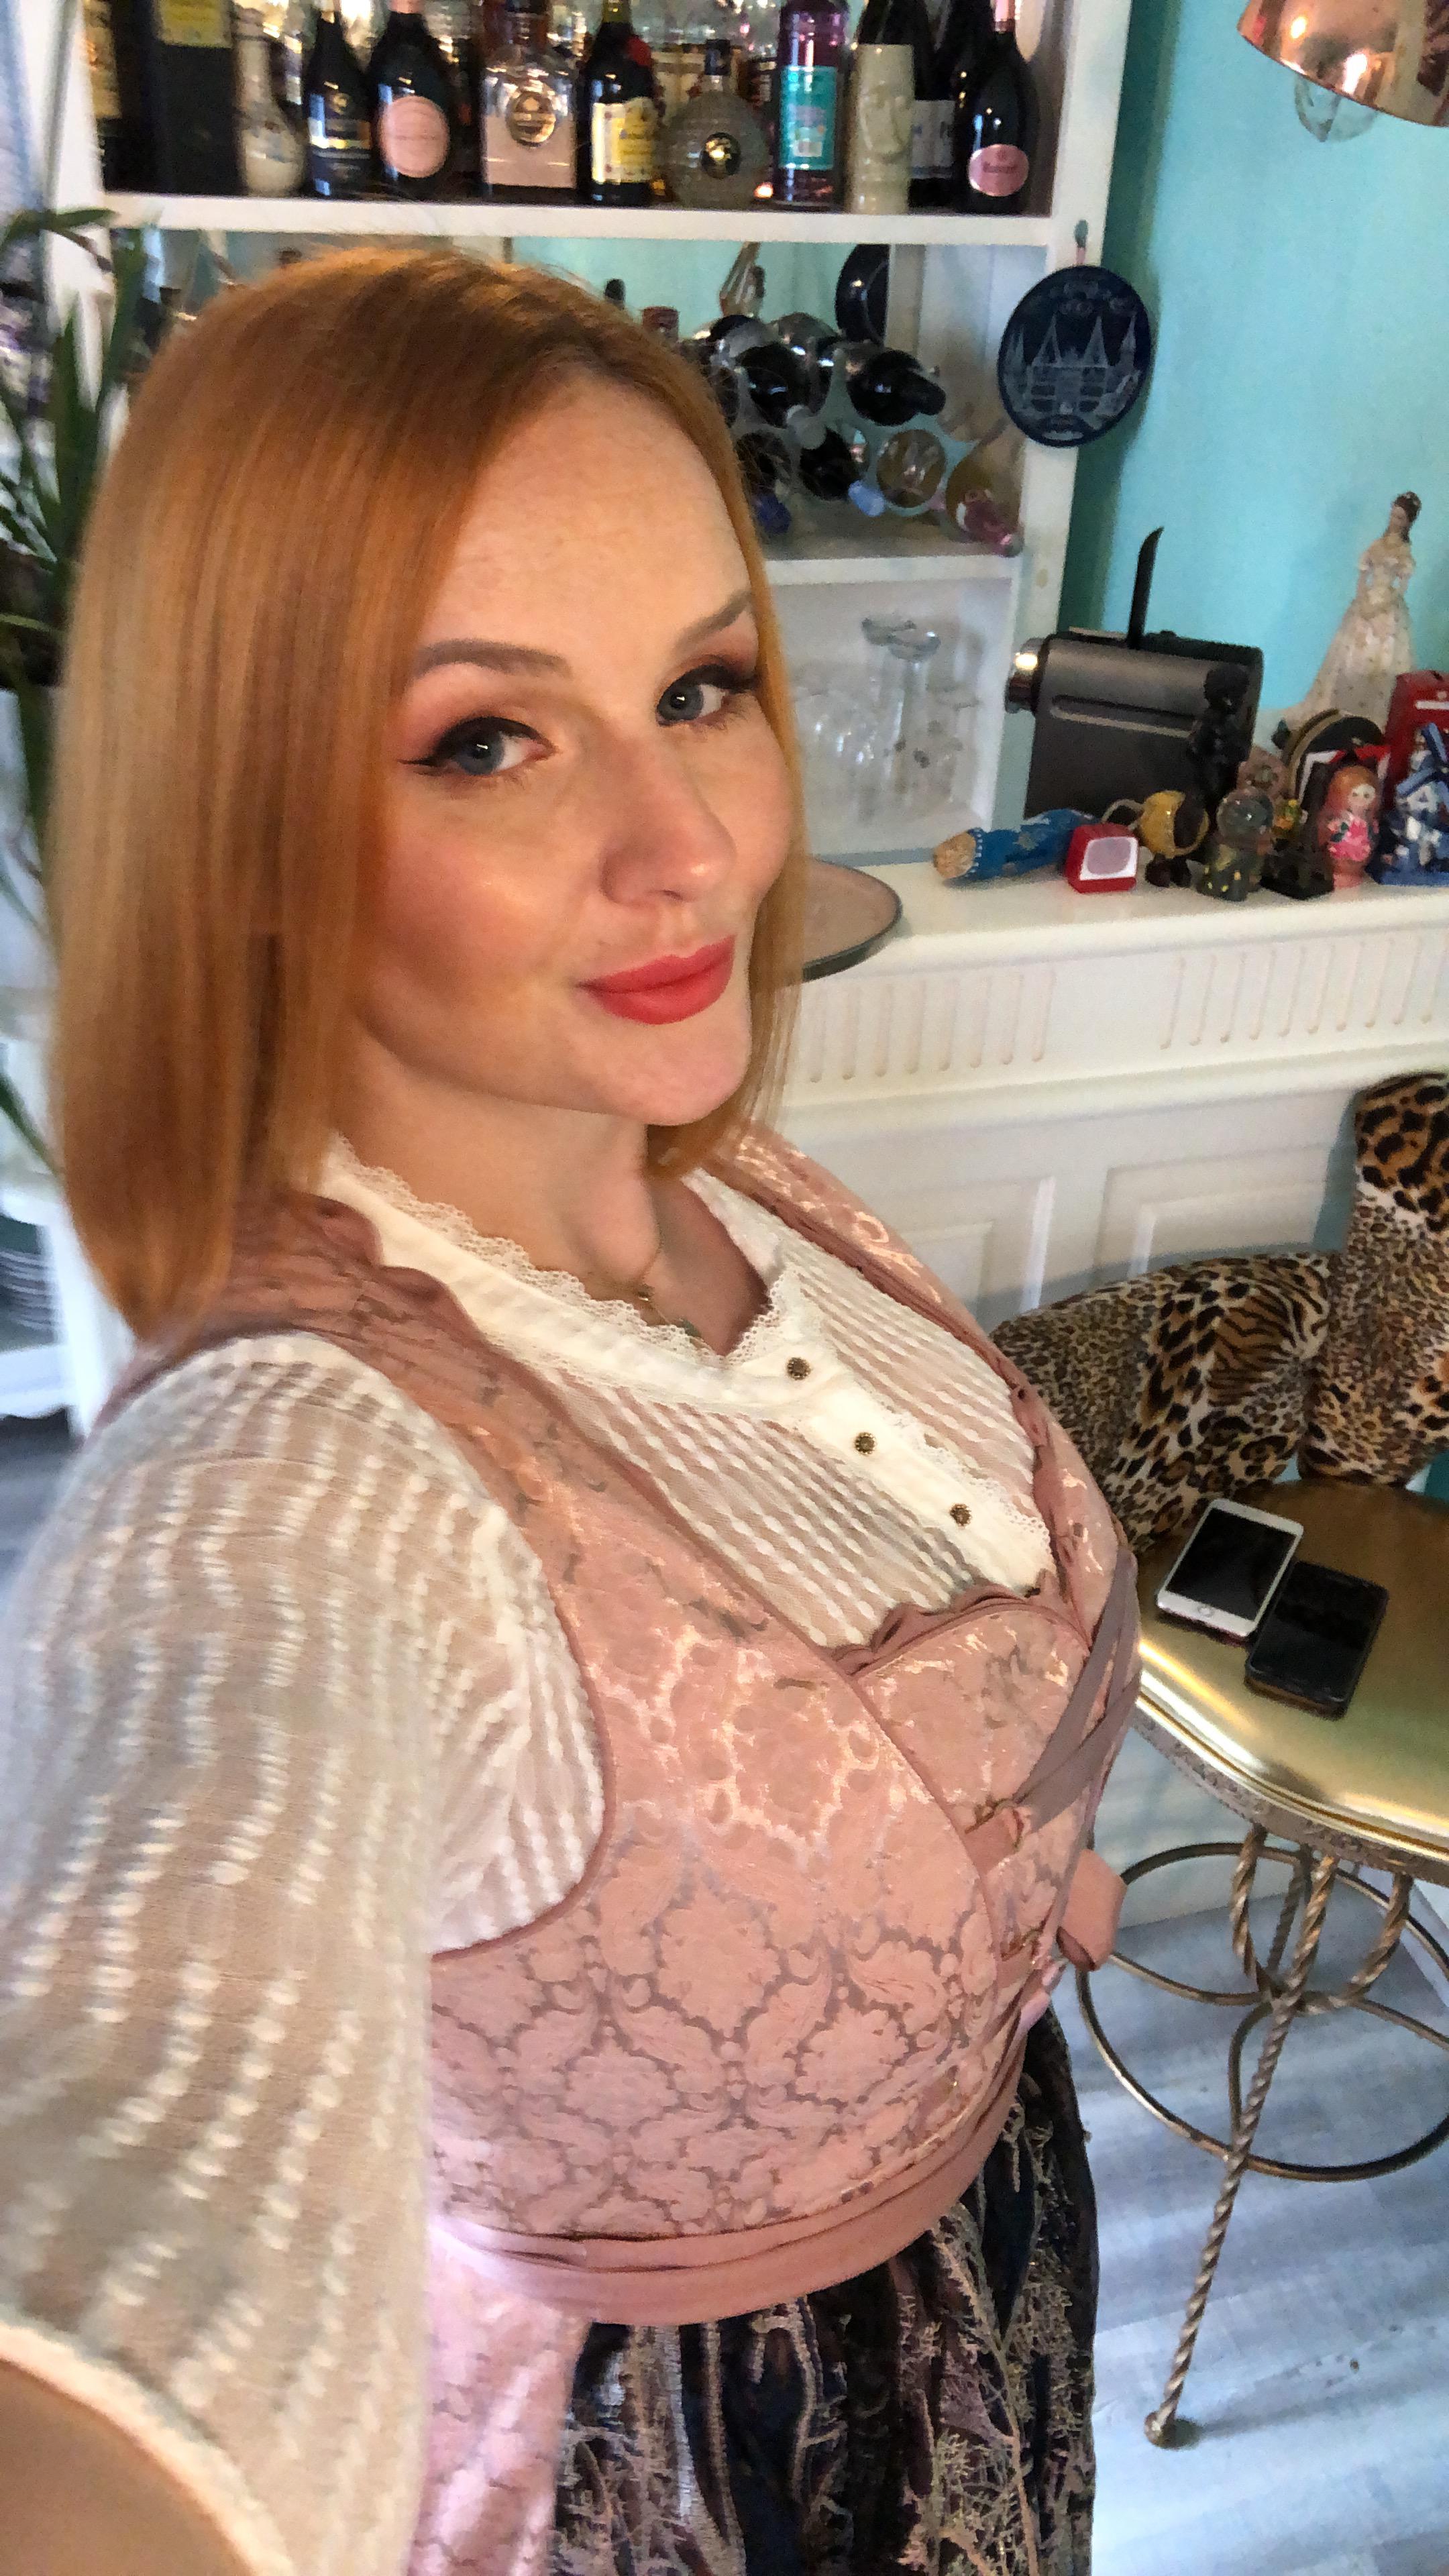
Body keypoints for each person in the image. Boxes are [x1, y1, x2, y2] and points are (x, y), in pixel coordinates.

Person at [0, 249, 1136, 2576]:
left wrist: (994, 1903)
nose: (687, 846)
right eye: (486, 740)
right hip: (695, 2479)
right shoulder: (299, 1485)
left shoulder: (715, 1172)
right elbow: (148, 2140)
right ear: (244, 822)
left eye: (701, 687)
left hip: (993, 2271)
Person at [1281, 490, 1422, 735]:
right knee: (1347, 660)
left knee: (1381, 662)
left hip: (1386, 609)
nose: (1394, 521)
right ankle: (1337, 716)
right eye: (1393, 515)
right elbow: (1363, 575)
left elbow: (1401, 589)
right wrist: (1362, 600)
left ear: (1408, 522)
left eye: (1400, 518)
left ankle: (1370, 724)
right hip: (1365, 603)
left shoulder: (1404, 552)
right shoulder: (1377, 545)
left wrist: (1379, 607)